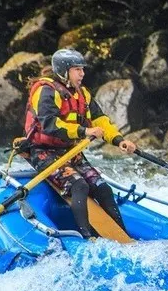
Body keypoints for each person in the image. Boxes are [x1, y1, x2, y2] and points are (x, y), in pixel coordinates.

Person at [23, 48, 137, 239]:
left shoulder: (82, 94)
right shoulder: (46, 91)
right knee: (79, 185)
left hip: (70, 151)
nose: (82, 74)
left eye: (82, 69)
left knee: (102, 187)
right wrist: (84, 131)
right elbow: (49, 124)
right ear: (63, 71)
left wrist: (119, 140)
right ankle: (86, 237)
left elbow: (100, 120)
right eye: (77, 69)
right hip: (44, 152)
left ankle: (123, 236)